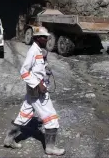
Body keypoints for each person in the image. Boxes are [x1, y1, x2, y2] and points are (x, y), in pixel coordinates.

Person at [4, 27, 65, 156]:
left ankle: (9, 139)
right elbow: (24, 72)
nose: (47, 39)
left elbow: (38, 67)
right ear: (37, 38)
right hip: (38, 91)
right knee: (51, 118)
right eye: (44, 37)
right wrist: (38, 84)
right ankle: (50, 148)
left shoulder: (39, 51)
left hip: (34, 92)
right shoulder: (33, 51)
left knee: (24, 116)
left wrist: (46, 68)